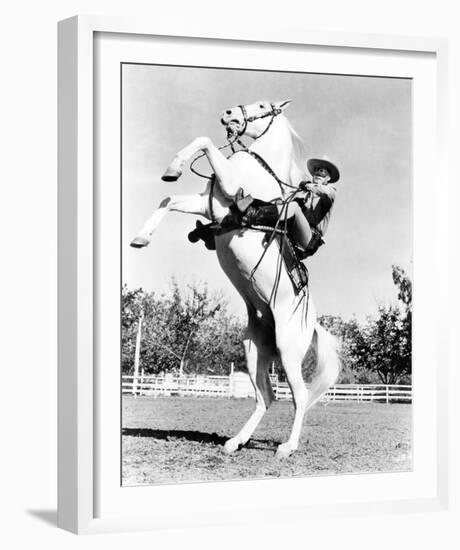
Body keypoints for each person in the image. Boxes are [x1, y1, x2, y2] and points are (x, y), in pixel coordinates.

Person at [240, 157, 340, 259]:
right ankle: (246, 204)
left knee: (294, 207)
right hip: (292, 228)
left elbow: (324, 191)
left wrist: (308, 186)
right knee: (280, 203)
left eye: (324, 172)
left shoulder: (330, 192)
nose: (320, 172)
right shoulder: (301, 192)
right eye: (317, 171)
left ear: (328, 178)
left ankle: (252, 216)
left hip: (310, 239)